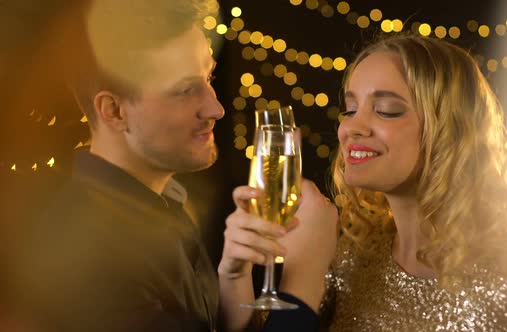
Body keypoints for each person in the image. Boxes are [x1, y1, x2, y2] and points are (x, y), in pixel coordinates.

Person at [4, 1, 323, 331]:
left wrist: (233, 278)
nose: (216, 108)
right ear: (113, 110)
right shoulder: (92, 254)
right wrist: (305, 280)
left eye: (209, 76)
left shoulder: (157, 207)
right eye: (185, 90)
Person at [226, 33, 507, 331]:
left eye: (387, 110)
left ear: (449, 131)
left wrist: (301, 272)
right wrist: (235, 276)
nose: (352, 127)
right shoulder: (349, 259)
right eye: (350, 109)